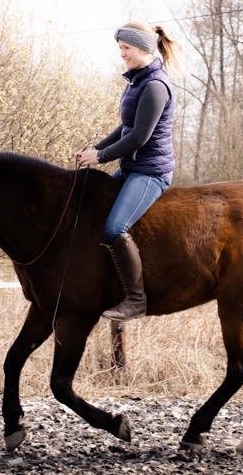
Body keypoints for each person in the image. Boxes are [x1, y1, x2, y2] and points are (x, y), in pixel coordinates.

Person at [75, 21, 182, 321]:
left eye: (126, 48)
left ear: (145, 48)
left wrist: (101, 157)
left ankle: (136, 300)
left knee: (114, 228)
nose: (122, 54)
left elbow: (139, 137)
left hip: (151, 172)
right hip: (132, 166)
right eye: (120, 48)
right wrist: (94, 149)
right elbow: (126, 126)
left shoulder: (155, 86)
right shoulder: (137, 80)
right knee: (95, 210)